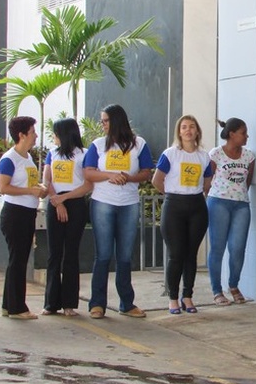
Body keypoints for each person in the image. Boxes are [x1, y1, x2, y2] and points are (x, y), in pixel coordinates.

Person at [83, 104, 153, 319]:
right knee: (103, 254)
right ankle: (97, 303)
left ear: (116, 121)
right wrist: (109, 175)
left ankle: (127, 303)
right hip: (103, 202)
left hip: (129, 204)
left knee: (124, 255)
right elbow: (88, 172)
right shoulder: (98, 145)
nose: (102, 124)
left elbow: (146, 172)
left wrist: (129, 178)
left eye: (105, 120)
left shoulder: (139, 144)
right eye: (102, 121)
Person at [153, 115, 212, 314]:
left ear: (197, 131)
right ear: (179, 132)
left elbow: (207, 182)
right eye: (184, 127)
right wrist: (172, 195)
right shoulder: (170, 154)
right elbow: (157, 180)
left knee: (191, 254)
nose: (188, 130)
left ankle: (187, 296)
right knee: (176, 254)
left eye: (192, 127)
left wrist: (195, 195)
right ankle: (172, 298)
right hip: (174, 207)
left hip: (197, 207)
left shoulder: (204, 156)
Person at [0, 116, 47, 319]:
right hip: (15, 213)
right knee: (17, 260)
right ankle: (17, 307)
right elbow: (3, 187)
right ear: (22, 135)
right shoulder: (9, 159)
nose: (36, 136)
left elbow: (29, 183)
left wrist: (39, 188)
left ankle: (9, 304)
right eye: (33, 132)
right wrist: (30, 191)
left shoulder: (28, 158)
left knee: (19, 259)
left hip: (27, 212)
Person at [42, 118, 92, 316]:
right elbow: (47, 180)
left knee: (71, 253)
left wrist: (65, 198)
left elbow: (88, 185)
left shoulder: (84, 154)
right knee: (54, 253)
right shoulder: (52, 153)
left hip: (76, 204)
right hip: (55, 203)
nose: (54, 137)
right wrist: (57, 201)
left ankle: (69, 303)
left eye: (56, 133)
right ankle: (50, 303)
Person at [206, 118, 255, 306]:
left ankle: (234, 285)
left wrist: (239, 194)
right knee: (217, 247)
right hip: (218, 202)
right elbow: (208, 180)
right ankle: (217, 290)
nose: (246, 136)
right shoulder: (215, 154)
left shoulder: (249, 156)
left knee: (238, 247)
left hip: (241, 204)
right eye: (243, 133)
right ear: (232, 134)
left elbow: (247, 181)